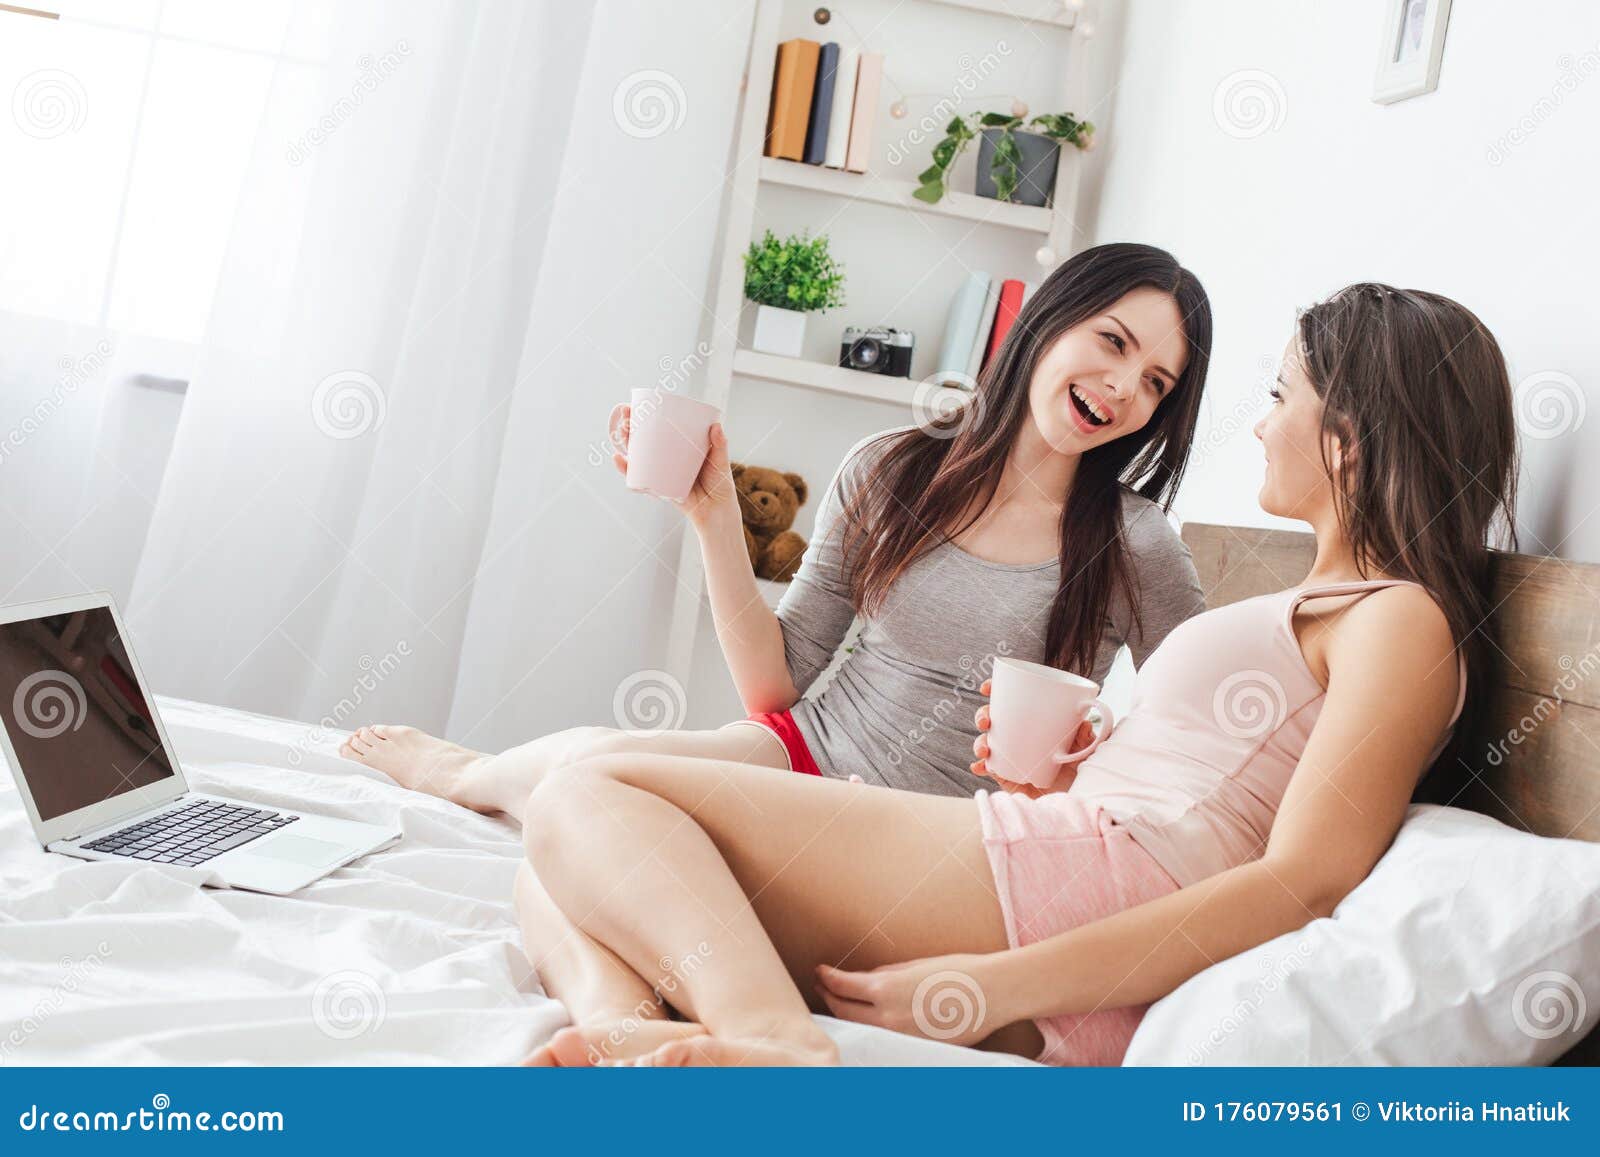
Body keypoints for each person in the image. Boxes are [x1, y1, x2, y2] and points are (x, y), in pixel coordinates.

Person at [513, 282, 1518, 1066]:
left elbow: (1303, 877)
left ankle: (778, 1042)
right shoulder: (1321, 599)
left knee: (591, 790)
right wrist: (1079, 769)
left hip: (1090, 881)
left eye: (1276, 396)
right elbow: (1223, 781)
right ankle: (624, 1030)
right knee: (557, 862)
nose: (1257, 424)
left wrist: (999, 982)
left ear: (1347, 438)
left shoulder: (1402, 618)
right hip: (1068, 849)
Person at [340, 242, 1212, 806]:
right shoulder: (892, 467)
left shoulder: (1138, 547)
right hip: (799, 761)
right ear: (1050, 322)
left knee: (627, 816)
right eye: (1114, 341)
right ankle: (467, 777)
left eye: (1158, 383)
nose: (1125, 386)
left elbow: (1200, 736)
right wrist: (713, 512)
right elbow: (779, 681)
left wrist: (1101, 745)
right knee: (603, 770)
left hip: (950, 840)